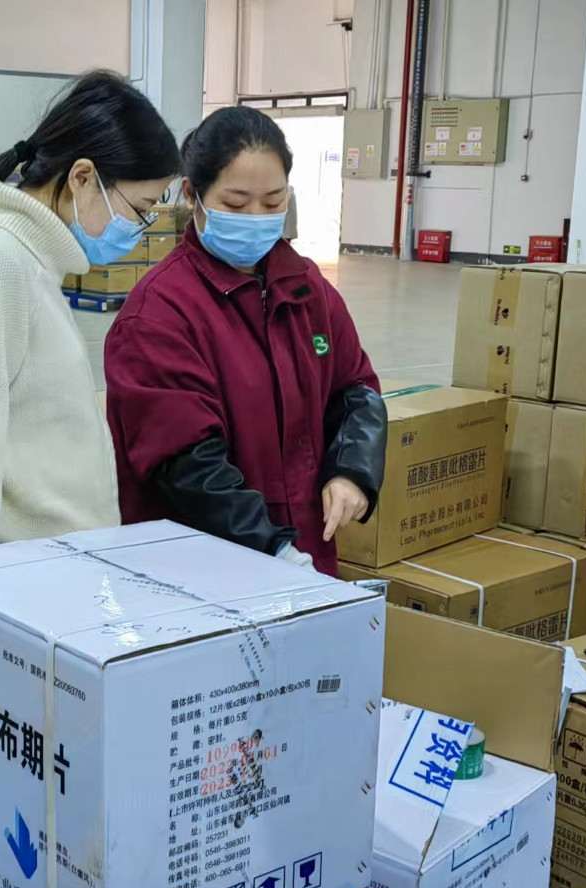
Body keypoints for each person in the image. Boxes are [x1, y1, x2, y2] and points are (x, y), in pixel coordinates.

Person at [0, 71, 180, 563]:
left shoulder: (27, 261)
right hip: (15, 584)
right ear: (83, 178)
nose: (138, 229)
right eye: (140, 209)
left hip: (47, 575)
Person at [103, 107, 387, 576]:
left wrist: (351, 471)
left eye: (273, 203)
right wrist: (271, 549)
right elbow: (185, 463)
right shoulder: (159, 314)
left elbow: (355, 389)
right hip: (205, 569)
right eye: (236, 204)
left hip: (304, 557)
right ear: (192, 195)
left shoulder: (307, 289)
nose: (256, 218)